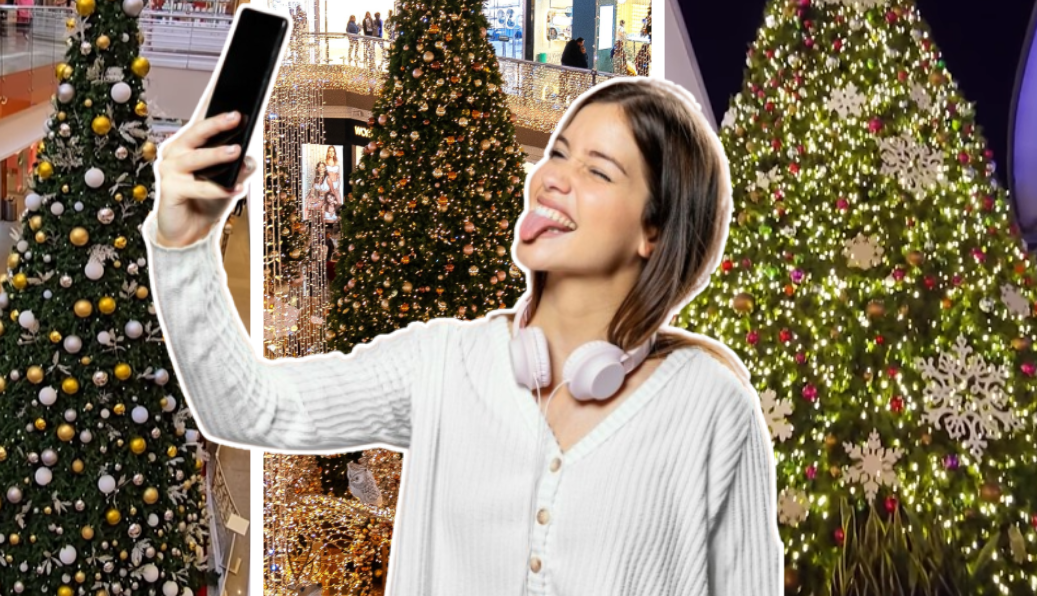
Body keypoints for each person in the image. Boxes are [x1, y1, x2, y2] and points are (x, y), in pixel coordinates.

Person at [144, 78, 782, 595]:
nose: (552, 177)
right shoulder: (445, 361)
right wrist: (182, 243)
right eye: (557, 152)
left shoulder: (710, 406)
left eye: (598, 170)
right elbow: (250, 406)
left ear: (656, 233)